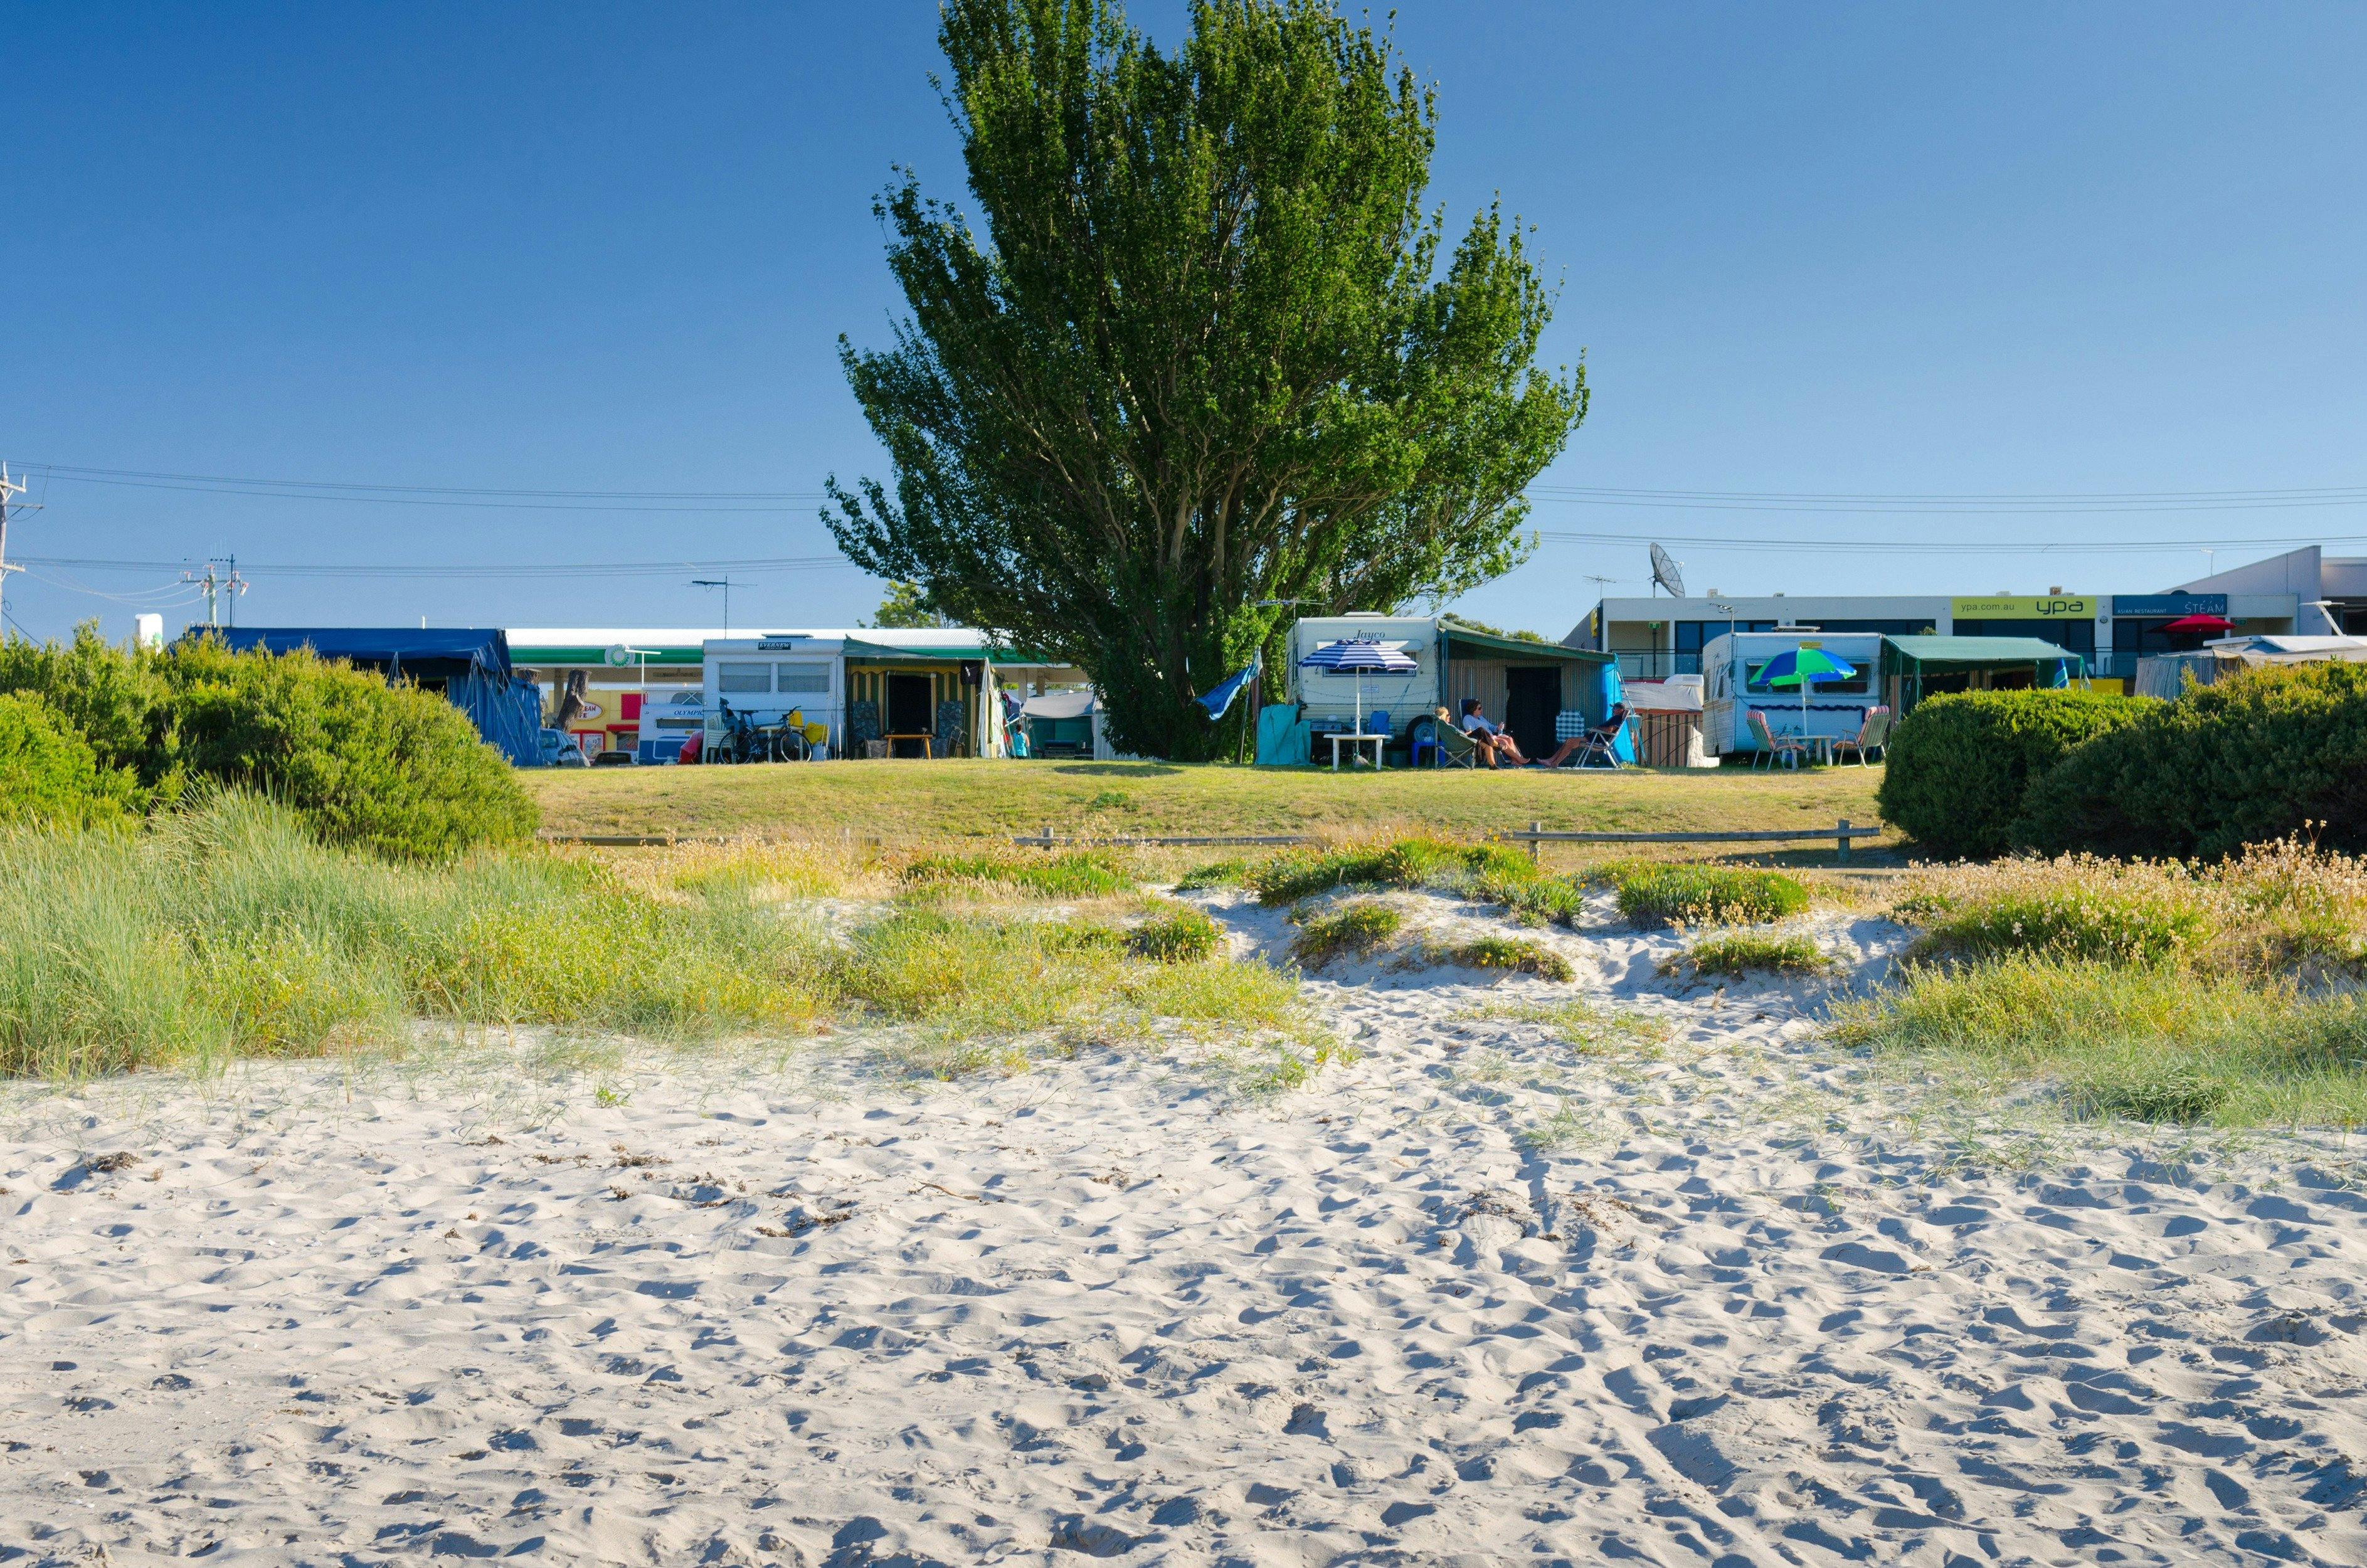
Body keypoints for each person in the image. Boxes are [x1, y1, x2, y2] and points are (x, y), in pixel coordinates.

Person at [1535, 701, 1628, 768]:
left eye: (1615, 708)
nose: (1613, 710)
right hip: (1595, 737)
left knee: (1571, 741)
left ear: (1621, 710)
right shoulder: (1616, 718)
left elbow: (1609, 730)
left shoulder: (1617, 719)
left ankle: (1554, 763)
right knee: (1569, 741)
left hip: (1598, 739)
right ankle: (1552, 761)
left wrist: (1595, 728)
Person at [1458, 698, 1530, 766]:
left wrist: (1498, 728)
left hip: (1492, 736)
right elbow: (1472, 732)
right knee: (1504, 741)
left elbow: (1491, 727)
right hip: (1484, 739)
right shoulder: (1468, 718)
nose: (1481, 710)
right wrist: (1489, 735)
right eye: (1479, 708)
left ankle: (1514, 760)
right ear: (1473, 710)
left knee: (1510, 739)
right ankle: (1519, 759)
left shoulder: (1481, 718)